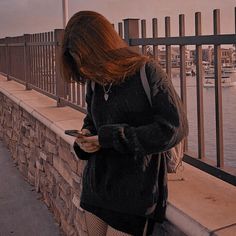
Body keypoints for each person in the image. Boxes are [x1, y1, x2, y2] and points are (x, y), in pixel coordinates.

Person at [60, 11, 188, 236]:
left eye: (84, 59)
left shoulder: (146, 72)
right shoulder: (95, 81)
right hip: (97, 187)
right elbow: (92, 120)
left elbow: (174, 128)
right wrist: (86, 137)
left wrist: (110, 138)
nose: (82, 68)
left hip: (134, 194)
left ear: (99, 47)